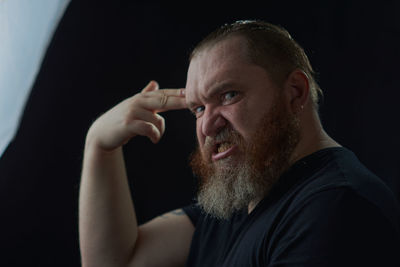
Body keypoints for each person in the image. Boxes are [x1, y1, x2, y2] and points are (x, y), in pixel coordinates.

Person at [79, 20, 400, 267]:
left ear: (295, 93)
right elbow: (118, 262)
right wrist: (100, 146)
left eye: (229, 95)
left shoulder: (334, 209)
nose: (207, 124)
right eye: (198, 108)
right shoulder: (240, 208)